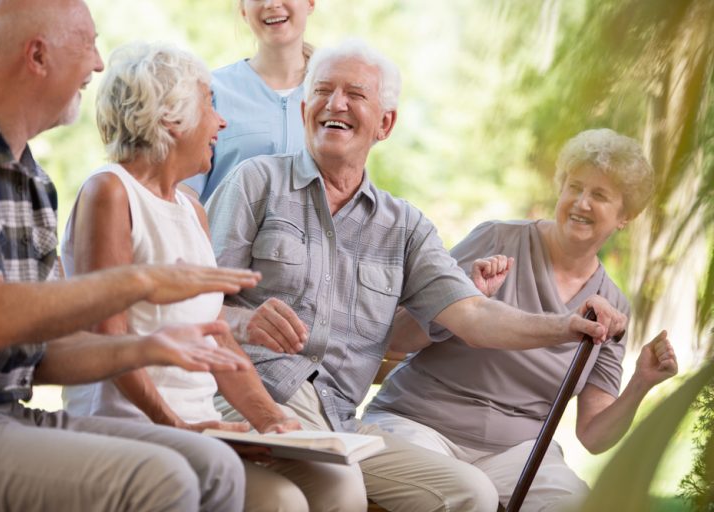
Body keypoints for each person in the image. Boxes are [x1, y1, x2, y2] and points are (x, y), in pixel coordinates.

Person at [206, 39, 628, 512]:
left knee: (470, 493)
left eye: (355, 94)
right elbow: (195, 303)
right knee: (337, 490)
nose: (336, 104)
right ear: (305, 108)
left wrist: (564, 324)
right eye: (323, 91)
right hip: (252, 394)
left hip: (341, 422)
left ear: (385, 123)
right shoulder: (256, 181)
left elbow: (474, 316)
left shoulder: (404, 226)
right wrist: (244, 322)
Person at [0, 1, 264, 510]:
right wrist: (140, 282)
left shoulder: (32, 180)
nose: (98, 64)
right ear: (38, 55)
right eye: (87, 43)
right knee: (164, 480)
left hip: (7, 409)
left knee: (217, 467)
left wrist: (149, 347)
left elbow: (41, 356)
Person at [61, 40, 354, 512]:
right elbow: (107, 343)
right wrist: (179, 427)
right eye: (210, 105)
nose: (221, 122)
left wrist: (272, 421)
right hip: (131, 428)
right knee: (280, 502)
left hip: (199, 430)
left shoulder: (191, 209)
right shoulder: (110, 192)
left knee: (335, 486)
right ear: (170, 119)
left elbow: (219, 339)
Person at [363, 128, 680, 511]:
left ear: (624, 216)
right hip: (420, 426)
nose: (580, 202)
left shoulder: (614, 306)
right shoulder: (497, 239)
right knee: (469, 495)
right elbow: (397, 337)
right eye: (574, 186)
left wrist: (641, 383)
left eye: (599, 195)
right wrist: (465, 297)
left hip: (516, 456)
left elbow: (593, 435)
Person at [184, 0, 314, 202]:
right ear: (243, 10)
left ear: (311, 3)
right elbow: (185, 194)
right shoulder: (210, 91)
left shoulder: (335, 96)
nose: (272, 4)